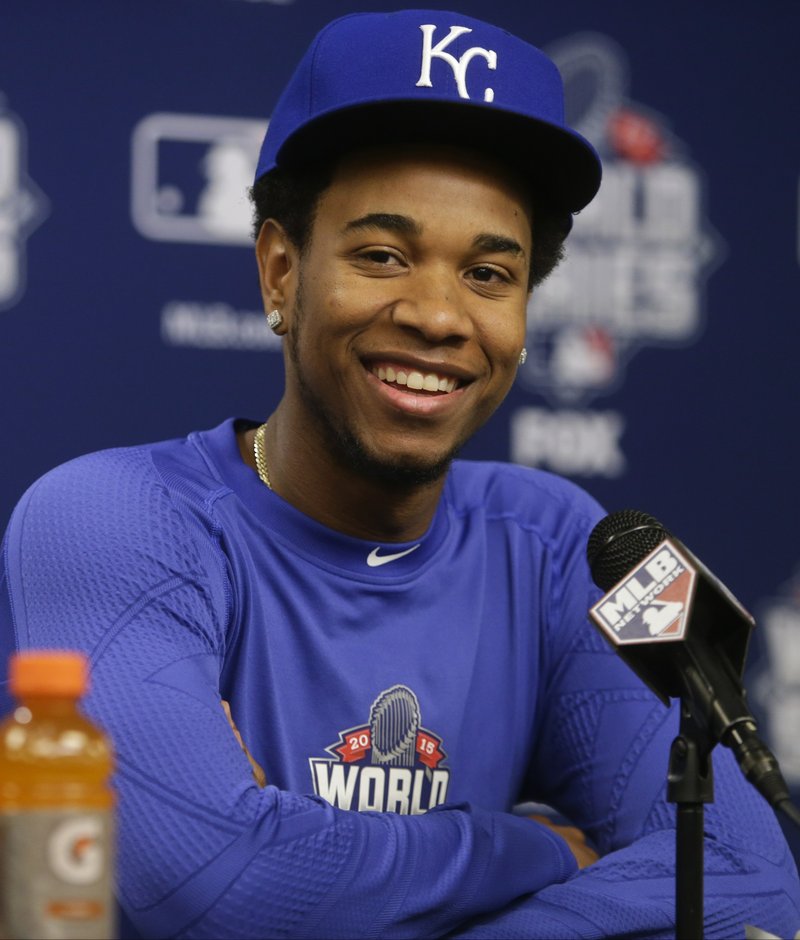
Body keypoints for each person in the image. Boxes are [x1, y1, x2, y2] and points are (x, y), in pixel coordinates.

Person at [1, 9, 798, 939]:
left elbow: (746, 882)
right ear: (280, 273)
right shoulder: (112, 519)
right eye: (382, 256)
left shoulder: (557, 545)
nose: (438, 315)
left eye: (490, 275)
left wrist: (332, 879)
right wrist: (535, 848)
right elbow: (212, 881)